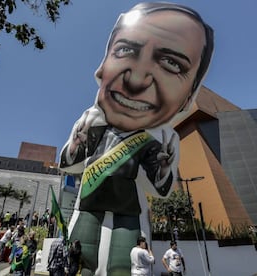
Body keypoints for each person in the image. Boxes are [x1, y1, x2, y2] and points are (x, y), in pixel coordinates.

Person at [59, 2, 213, 275]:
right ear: (101, 68)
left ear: (189, 97)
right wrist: (75, 145)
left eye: (171, 63)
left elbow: (160, 184)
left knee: (123, 260)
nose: (136, 80)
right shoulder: (93, 123)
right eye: (126, 50)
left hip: (128, 203)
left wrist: (164, 168)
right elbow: (69, 163)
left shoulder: (155, 141)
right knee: (81, 253)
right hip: (90, 200)